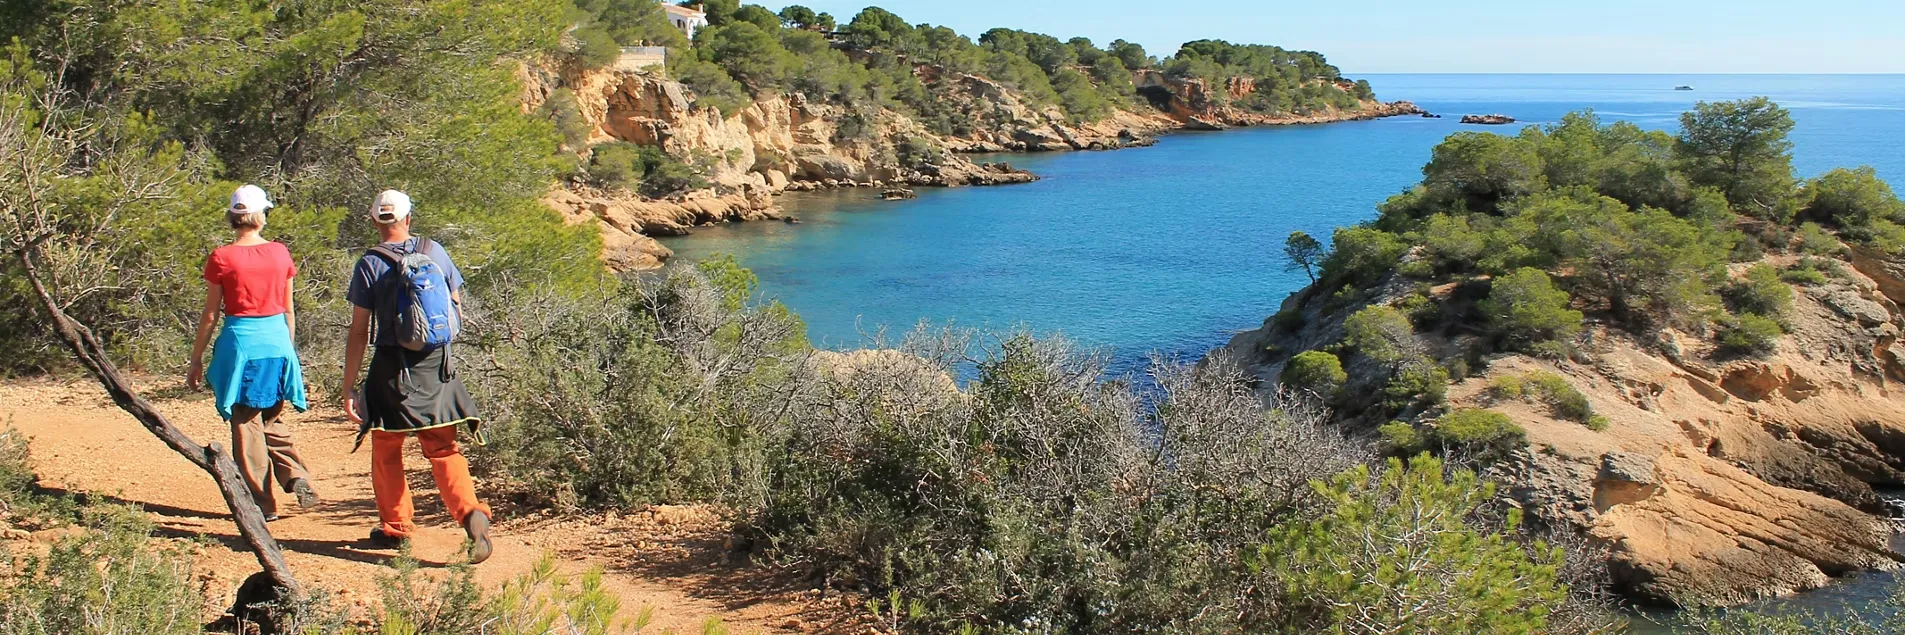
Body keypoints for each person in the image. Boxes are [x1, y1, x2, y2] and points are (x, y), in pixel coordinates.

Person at [341, 189, 494, 563]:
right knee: (443, 448)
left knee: (388, 449)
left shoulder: (370, 264)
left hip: (392, 370)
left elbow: (359, 330)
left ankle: (396, 528)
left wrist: (349, 385)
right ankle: (470, 513)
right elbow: (455, 306)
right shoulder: (435, 250)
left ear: (375, 220)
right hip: (437, 366)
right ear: (409, 218)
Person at [187, 184, 318, 521]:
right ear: (261, 216)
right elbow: (289, 310)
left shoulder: (222, 257)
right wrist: (288, 351)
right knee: (272, 416)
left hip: (242, 345)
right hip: (276, 344)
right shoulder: (280, 253)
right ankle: (296, 476)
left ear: (233, 217)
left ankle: (263, 504)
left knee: (246, 424)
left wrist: (196, 357)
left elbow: (212, 314)